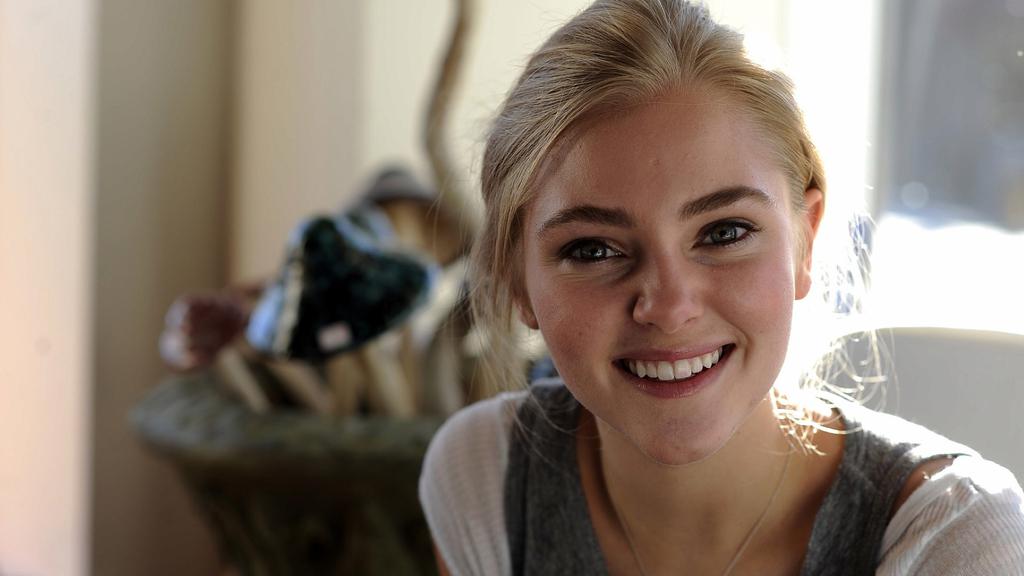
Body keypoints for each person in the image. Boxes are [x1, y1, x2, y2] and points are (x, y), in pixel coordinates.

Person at [417, 0, 1024, 574]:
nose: (670, 307)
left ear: (805, 241)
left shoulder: (959, 538)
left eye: (725, 232)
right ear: (517, 280)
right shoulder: (483, 478)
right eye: (593, 249)